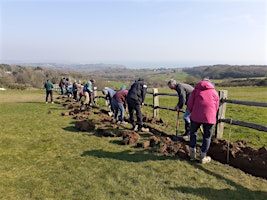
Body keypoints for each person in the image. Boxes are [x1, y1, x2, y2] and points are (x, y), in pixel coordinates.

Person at [187, 79, 219, 164]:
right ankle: (202, 156)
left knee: (193, 133)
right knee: (207, 137)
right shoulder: (214, 92)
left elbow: (189, 104)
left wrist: (192, 112)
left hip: (196, 116)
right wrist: (212, 114)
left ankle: (192, 152)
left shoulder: (195, 91)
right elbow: (216, 106)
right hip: (209, 117)